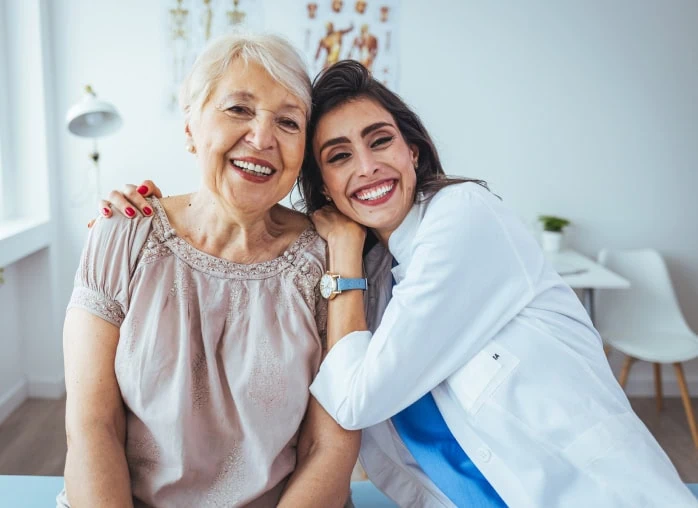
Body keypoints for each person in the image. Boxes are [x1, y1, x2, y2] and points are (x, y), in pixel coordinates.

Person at [99, 60, 697, 507]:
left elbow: (355, 399)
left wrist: (341, 251)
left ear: (412, 151)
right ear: (323, 187)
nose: (366, 167)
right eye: (337, 155)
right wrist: (157, 208)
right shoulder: (371, 277)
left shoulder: (464, 217)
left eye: (379, 140)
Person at [58, 34, 359, 508]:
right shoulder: (123, 233)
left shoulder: (328, 258)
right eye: (239, 109)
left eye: (288, 121)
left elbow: (331, 445)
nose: (263, 138)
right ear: (190, 127)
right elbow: (92, 425)